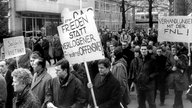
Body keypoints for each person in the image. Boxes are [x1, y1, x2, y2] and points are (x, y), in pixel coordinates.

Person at [129, 44, 157, 108]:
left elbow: (156, 72)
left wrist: (149, 77)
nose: (143, 51)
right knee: (141, 103)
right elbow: (133, 71)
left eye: (145, 49)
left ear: (147, 50)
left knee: (151, 103)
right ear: (140, 50)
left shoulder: (152, 59)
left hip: (149, 86)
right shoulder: (136, 60)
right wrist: (135, 80)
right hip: (139, 86)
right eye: (142, 49)